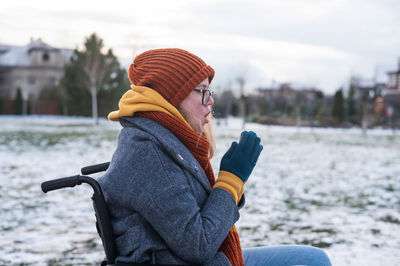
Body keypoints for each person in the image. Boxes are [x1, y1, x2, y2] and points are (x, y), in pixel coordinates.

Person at [98, 48, 332, 266]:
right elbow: (198, 244)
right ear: (172, 96)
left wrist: (232, 182)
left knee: (314, 259)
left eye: (210, 91)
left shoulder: (164, 138)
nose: (210, 100)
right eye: (202, 91)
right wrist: (231, 181)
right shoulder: (149, 153)